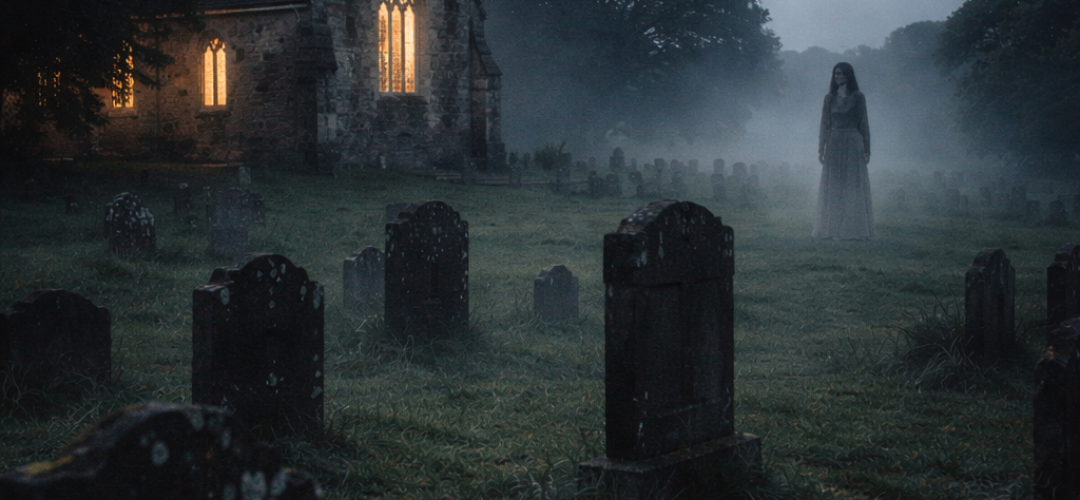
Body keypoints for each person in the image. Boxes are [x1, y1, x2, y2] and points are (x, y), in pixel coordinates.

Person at [812, 62, 874, 240]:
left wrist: (867, 150)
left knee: (851, 185)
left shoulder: (858, 97)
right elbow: (825, 124)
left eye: (841, 73)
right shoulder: (829, 98)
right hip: (834, 143)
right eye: (835, 74)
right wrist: (821, 148)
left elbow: (864, 123)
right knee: (835, 185)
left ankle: (853, 230)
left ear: (848, 75)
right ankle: (831, 229)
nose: (837, 76)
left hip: (854, 142)